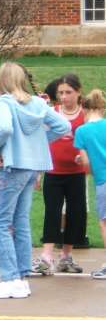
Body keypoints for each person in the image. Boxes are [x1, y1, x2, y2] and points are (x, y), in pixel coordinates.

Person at [0, 62, 70, 299]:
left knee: (0, 222)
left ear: (2, 80)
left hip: (13, 165)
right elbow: (63, 125)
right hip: (33, 166)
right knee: (20, 220)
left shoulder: (3, 102)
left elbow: (3, 129)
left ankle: (9, 278)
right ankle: (21, 278)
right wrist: (39, 142)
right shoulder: (37, 103)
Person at [33, 74, 86, 275]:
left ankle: (66, 256)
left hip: (76, 173)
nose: (64, 97)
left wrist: (86, 158)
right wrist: (38, 173)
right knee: (52, 212)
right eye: (61, 93)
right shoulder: (52, 113)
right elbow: (41, 141)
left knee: (75, 213)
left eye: (68, 92)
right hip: (53, 172)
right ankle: (46, 256)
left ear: (78, 92)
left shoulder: (85, 115)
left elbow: (90, 141)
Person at [74, 90, 106, 278]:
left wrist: (85, 164)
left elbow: (85, 162)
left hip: (103, 180)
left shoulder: (82, 131)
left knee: (104, 223)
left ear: (84, 109)